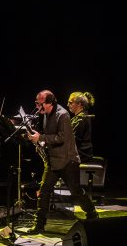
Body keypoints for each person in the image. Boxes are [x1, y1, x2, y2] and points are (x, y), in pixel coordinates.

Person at [26, 90, 98, 234]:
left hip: (67, 161)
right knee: (44, 191)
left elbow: (62, 137)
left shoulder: (63, 115)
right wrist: (41, 143)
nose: (37, 106)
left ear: (49, 103)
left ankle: (92, 213)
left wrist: (41, 138)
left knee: (76, 192)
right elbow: (50, 136)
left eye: (39, 104)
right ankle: (39, 225)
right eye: (36, 103)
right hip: (53, 161)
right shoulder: (46, 114)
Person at [68, 91, 95, 163]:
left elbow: (74, 140)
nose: (68, 105)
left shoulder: (81, 118)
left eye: (70, 103)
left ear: (79, 104)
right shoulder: (78, 117)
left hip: (81, 155)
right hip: (81, 153)